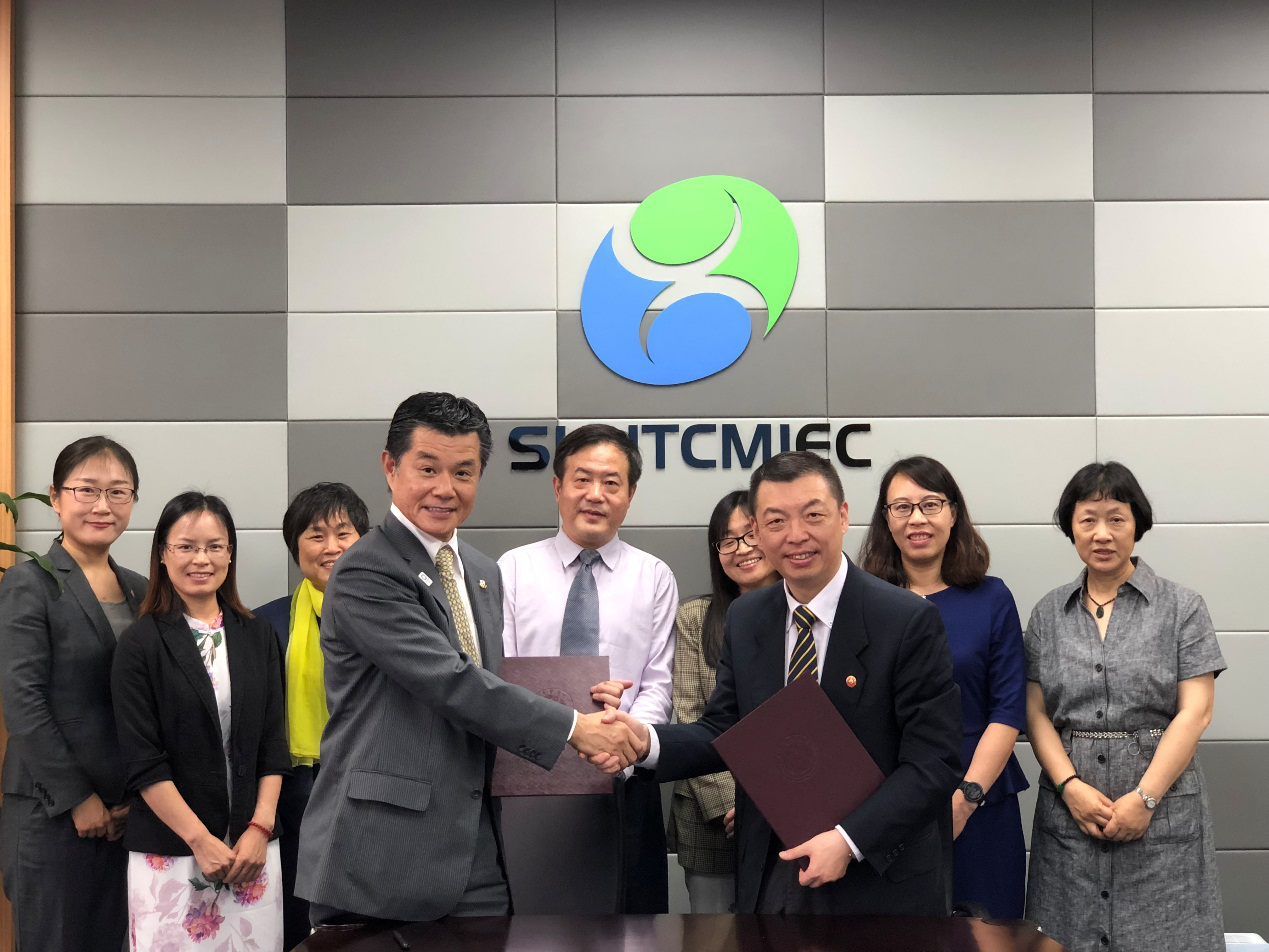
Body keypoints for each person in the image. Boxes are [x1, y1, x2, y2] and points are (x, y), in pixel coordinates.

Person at [295, 392, 644, 926]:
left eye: (463, 472)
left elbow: (491, 680)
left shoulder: (482, 571)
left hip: (475, 843)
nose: (445, 488)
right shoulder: (367, 569)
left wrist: (586, 699)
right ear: (390, 467)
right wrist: (576, 727)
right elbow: (450, 682)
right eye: (427, 468)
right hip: (382, 850)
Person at [609, 450, 962, 916]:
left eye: (813, 515)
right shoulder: (747, 617)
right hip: (773, 873)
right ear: (757, 531)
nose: (796, 535)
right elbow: (725, 729)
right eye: (776, 521)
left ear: (843, 516)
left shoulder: (906, 620)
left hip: (879, 880)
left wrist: (848, 840)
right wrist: (645, 742)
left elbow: (933, 763)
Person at [1024, 462, 1225, 952]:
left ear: (1138, 524)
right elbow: (1033, 713)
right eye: (1088, 519)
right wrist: (1070, 787)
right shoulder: (1048, 613)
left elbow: (1196, 712)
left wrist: (1146, 798)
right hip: (1070, 818)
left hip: (1163, 814)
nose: (1102, 534)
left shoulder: (1182, 607)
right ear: (1071, 527)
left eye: (1116, 518)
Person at [498, 423, 678, 913]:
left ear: (630, 495)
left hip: (625, 781)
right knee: (533, 930)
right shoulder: (512, 569)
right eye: (582, 479)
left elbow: (658, 684)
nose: (595, 494)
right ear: (558, 486)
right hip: (530, 779)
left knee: (632, 928)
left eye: (611, 483)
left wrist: (623, 744)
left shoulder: (654, 577)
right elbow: (502, 676)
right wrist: (559, 732)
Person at [112, 492, 290, 950]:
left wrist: (260, 828)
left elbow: (274, 744)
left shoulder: (258, 635)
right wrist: (200, 840)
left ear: (230, 553)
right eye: (186, 546)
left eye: (214, 546)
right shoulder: (140, 643)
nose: (201, 559)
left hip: (252, 852)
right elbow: (143, 762)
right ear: (162, 554)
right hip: (172, 853)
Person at [858, 456, 1027, 918]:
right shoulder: (864, 602)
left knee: (987, 935)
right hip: (887, 804)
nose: (917, 518)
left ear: (953, 513)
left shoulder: (993, 598)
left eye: (930, 504)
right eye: (902, 507)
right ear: (886, 520)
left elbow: (1008, 709)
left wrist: (966, 800)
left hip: (981, 796)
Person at [0, 436, 145, 952]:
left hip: (127, 817)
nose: (103, 505)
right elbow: (23, 702)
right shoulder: (29, 584)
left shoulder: (143, 589)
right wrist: (79, 800)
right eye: (87, 490)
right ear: (55, 497)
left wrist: (137, 799)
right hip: (52, 814)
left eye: (118, 491)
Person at [254, 482, 370, 950]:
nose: (331, 547)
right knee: (299, 916)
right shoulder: (264, 624)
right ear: (295, 547)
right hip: (295, 789)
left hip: (371, 784)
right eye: (316, 535)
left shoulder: (394, 616)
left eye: (343, 533)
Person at [668, 490, 779, 913]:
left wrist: (772, 803)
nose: (742, 549)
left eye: (751, 534)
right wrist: (736, 804)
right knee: (713, 937)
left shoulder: (805, 617)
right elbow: (690, 717)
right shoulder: (696, 617)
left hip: (792, 814)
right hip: (713, 819)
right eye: (727, 540)